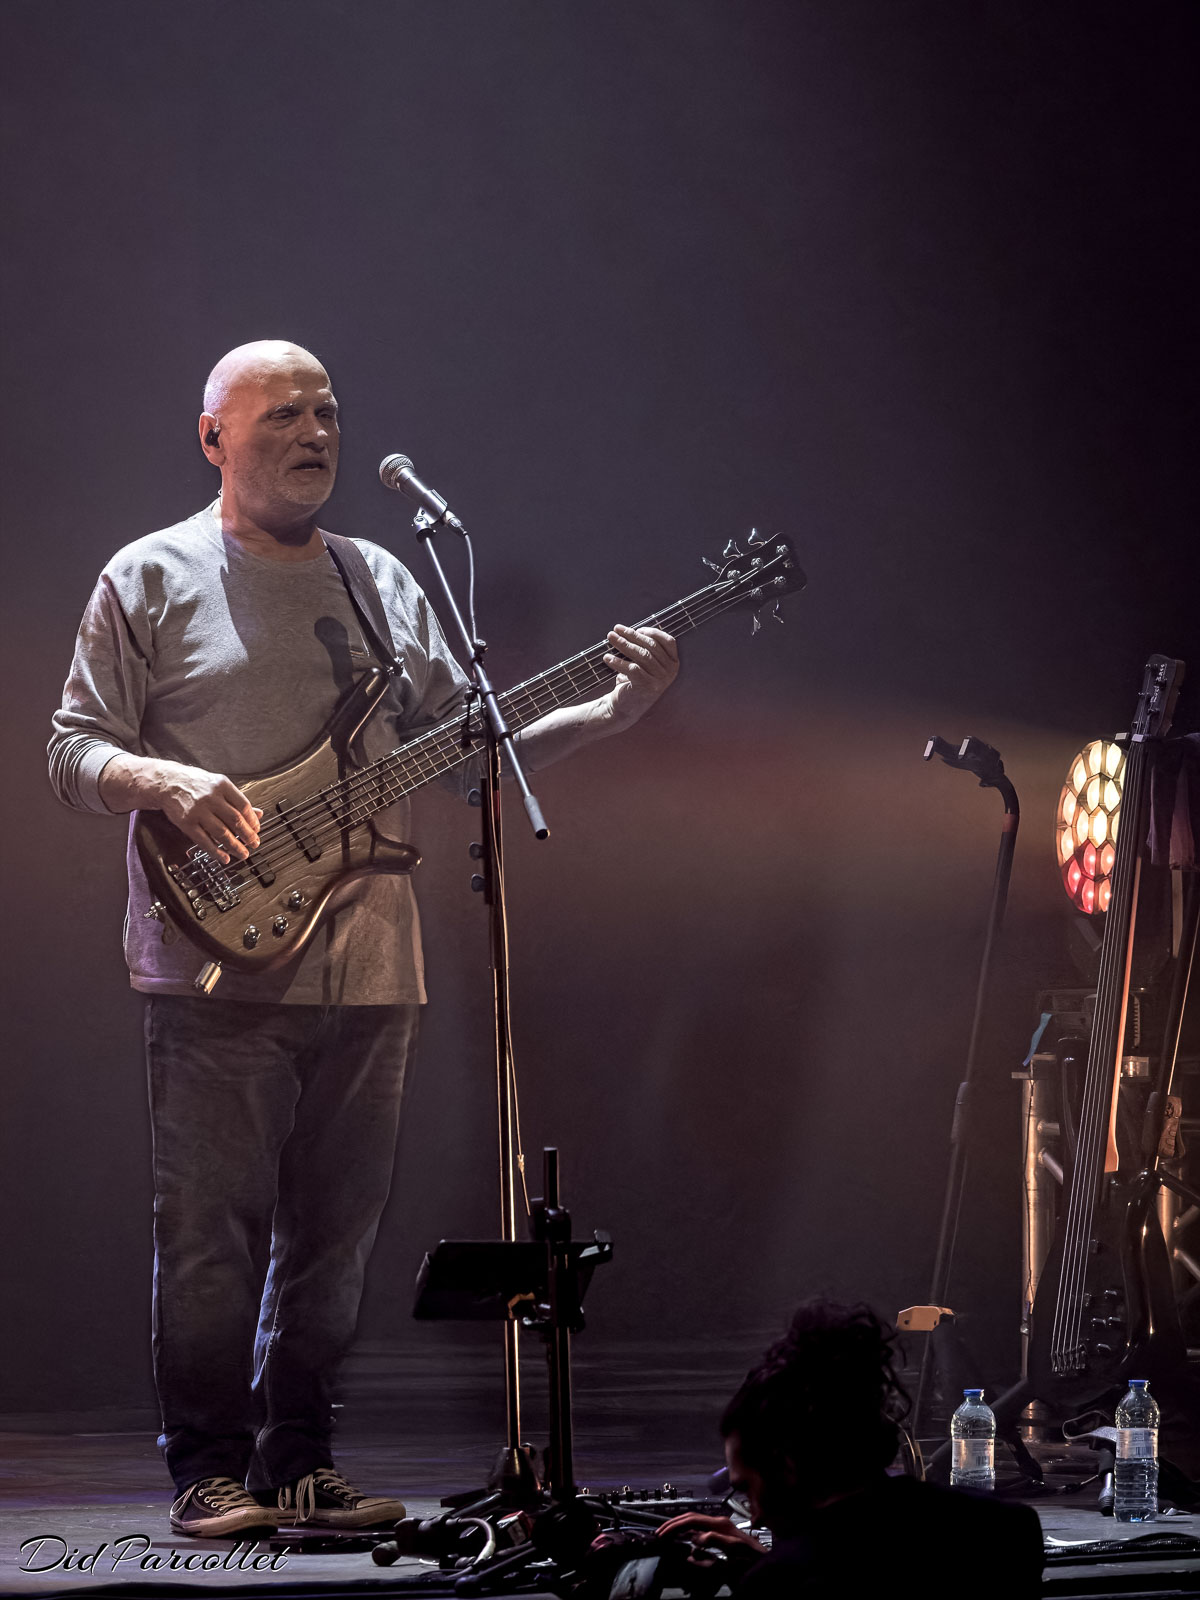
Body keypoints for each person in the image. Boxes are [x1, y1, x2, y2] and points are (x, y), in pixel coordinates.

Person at [48, 340, 679, 1539]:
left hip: (374, 963)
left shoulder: (382, 578)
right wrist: (166, 781)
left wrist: (612, 710)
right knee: (211, 1238)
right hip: (213, 961)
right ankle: (208, 1467)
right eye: (283, 413)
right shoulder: (149, 574)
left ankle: (300, 1459)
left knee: (334, 1245)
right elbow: (70, 751)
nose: (315, 432)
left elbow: (472, 755)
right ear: (213, 437)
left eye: (328, 411)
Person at [657, 1301, 1044, 1596]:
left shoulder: (782, 1582)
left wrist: (765, 1575)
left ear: (788, 1466)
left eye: (748, 1489)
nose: (753, 1518)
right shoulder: (1008, 1530)